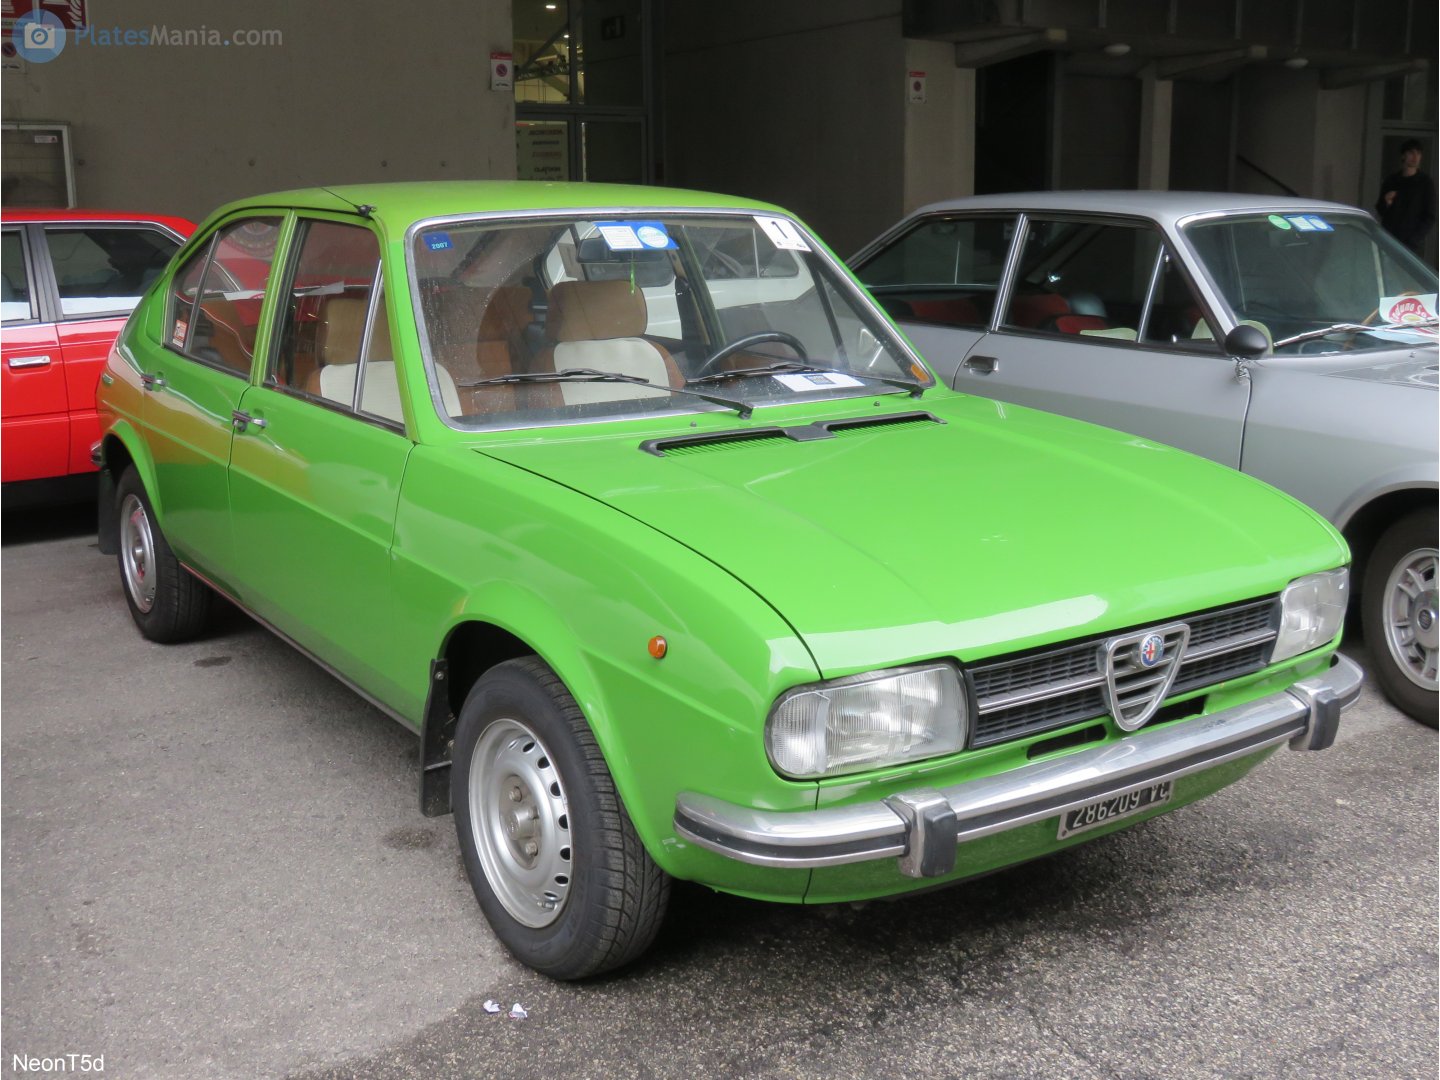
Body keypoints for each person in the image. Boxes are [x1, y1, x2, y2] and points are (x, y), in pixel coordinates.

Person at [1375, 139, 1436, 255]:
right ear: (1403, 155)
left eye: (1418, 153)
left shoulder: (1425, 183)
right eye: (1411, 153)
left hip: (1410, 244)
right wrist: (1386, 202)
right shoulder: (1392, 180)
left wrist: (1415, 239)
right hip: (1389, 239)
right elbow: (1380, 210)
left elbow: (1430, 216)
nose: (1415, 157)